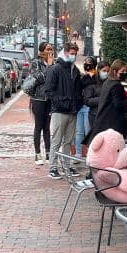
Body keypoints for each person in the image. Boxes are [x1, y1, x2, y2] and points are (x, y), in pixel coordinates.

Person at [45, 42, 83, 179]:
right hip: (60, 110)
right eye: (72, 53)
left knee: (68, 141)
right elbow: (49, 90)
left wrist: (77, 104)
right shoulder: (56, 69)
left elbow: (78, 90)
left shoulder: (75, 70)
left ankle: (66, 165)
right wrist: (60, 102)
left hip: (72, 110)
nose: (73, 56)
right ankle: (53, 167)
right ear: (66, 52)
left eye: (75, 53)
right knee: (56, 140)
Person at [90, 59, 127, 141]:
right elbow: (118, 105)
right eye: (122, 71)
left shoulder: (108, 82)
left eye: (126, 71)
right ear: (115, 71)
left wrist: (125, 95)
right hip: (113, 124)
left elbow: (111, 98)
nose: (124, 73)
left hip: (103, 122)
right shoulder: (116, 85)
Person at [28, 42, 54, 166]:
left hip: (49, 99)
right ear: (42, 51)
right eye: (48, 49)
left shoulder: (53, 63)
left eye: (51, 49)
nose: (50, 52)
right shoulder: (35, 63)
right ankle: (37, 154)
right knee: (38, 126)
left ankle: (48, 153)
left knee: (47, 128)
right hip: (38, 99)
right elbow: (40, 78)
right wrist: (49, 67)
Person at [74, 56, 99, 159]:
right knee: (79, 131)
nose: (87, 65)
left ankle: (90, 153)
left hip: (89, 107)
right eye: (86, 63)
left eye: (89, 63)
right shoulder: (83, 77)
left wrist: (91, 76)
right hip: (80, 106)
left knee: (88, 130)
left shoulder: (97, 78)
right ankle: (78, 153)